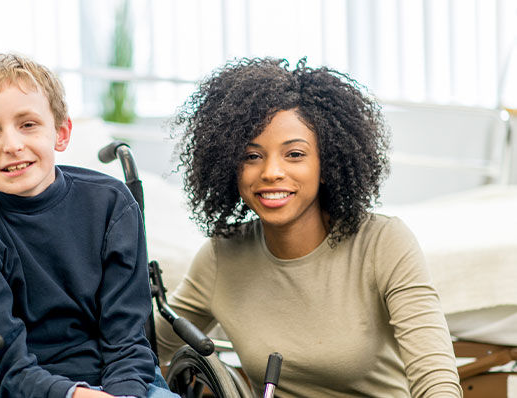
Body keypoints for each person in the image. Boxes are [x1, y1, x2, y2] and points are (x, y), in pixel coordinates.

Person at [155, 57, 462, 397]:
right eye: (252, 156)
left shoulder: (382, 243)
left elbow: (436, 380)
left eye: (295, 154)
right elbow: (145, 348)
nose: (271, 172)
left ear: (327, 164)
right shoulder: (220, 258)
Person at [0, 53, 176, 398]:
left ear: (62, 132)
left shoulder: (111, 204)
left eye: (28, 124)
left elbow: (126, 339)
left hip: (120, 380)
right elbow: (8, 362)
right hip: (10, 386)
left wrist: (121, 394)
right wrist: (74, 395)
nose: (12, 145)